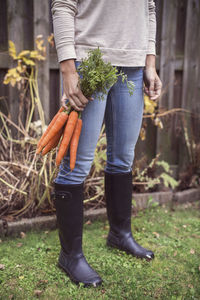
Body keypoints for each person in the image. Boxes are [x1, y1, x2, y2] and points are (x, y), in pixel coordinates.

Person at [51, 0, 162, 287]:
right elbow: (63, 4)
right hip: (91, 62)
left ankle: (120, 234)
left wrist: (149, 61)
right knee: (76, 164)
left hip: (134, 67)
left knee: (123, 158)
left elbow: (149, 7)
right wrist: (68, 68)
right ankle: (70, 255)